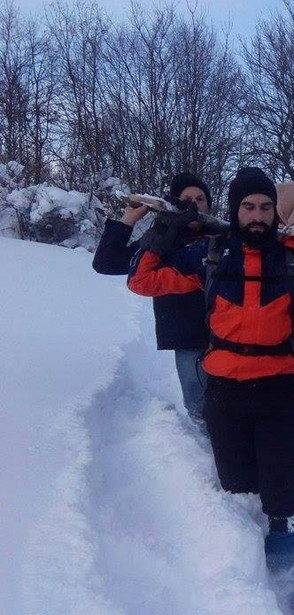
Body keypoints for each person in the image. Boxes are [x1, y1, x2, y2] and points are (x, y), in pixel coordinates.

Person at [127, 167, 294, 615]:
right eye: (248, 206)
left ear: (274, 212)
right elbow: (142, 280)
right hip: (225, 393)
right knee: (237, 489)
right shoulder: (208, 254)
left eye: (265, 207)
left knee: (285, 496)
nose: (257, 215)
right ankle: (247, 580)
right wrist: (163, 230)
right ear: (235, 209)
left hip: (280, 393)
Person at [92, 171, 212, 430]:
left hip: (227, 336)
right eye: (186, 199)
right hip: (187, 339)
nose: (193, 204)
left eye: (200, 199)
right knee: (199, 408)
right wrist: (128, 219)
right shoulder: (161, 241)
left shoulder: (220, 239)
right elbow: (106, 263)